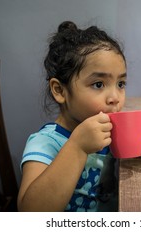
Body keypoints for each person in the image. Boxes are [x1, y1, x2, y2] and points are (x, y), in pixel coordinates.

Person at [17, 21, 127, 212]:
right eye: (99, 84)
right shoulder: (45, 143)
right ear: (60, 91)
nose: (115, 98)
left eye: (121, 84)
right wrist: (77, 147)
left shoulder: (106, 128)